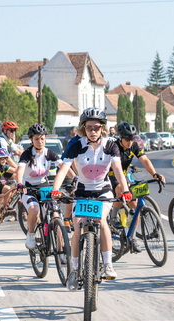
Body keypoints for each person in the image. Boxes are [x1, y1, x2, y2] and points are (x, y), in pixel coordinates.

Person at [51, 107, 132, 290]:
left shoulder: (111, 146)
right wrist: (55, 189)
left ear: (102, 128)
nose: (93, 131)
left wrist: (125, 190)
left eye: (96, 127)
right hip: (82, 191)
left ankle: (108, 264)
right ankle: (74, 269)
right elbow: (64, 169)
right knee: (78, 225)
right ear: (83, 128)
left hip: (103, 191)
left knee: (102, 221)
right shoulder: (76, 144)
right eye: (89, 128)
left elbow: (118, 171)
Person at [108, 122, 165, 252]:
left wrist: (154, 174)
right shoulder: (114, 147)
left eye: (132, 138)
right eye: (127, 139)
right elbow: (114, 167)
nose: (130, 142)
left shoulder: (134, 145)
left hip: (123, 177)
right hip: (110, 177)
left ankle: (131, 237)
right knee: (121, 190)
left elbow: (144, 160)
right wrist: (124, 184)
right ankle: (113, 217)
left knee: (135, 206)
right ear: (121, 137)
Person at [15, 124, 66, 249]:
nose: (40, 141)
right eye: (37, 139)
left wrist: (75, 178)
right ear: (32, 140)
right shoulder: (27, 154)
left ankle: (62, 249)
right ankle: (31, 234)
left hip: (44, 187)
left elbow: (64, 167)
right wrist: (19, 183)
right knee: (34, 210)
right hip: (29, 188)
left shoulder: (49, 153)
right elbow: (20, 170)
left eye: (42, 138)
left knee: (55, 214)